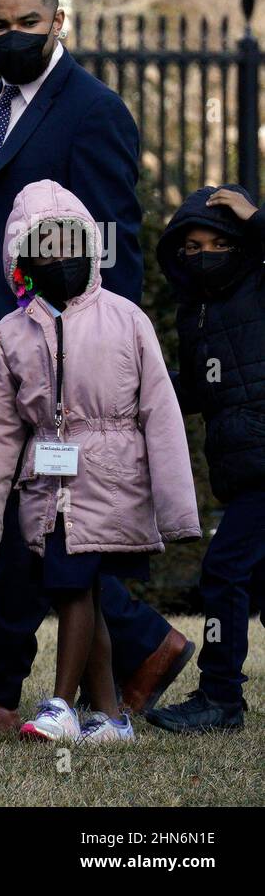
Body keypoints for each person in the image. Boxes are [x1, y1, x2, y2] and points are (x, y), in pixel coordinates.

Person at [0, 0, 192, 729]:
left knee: (36, 526)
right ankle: (135, 649)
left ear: (58, 22)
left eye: (27, 22)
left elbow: (114, 245)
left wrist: (89, 361)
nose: (11, 35)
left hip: (56, 361)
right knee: (17, 525)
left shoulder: (92, 109)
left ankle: (0, 690)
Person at [0, 180, 200, 744]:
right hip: (48, 490)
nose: (59, 257)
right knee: (82, 594)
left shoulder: (126, 320)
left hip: (112, 485)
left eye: (70, 242)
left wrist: (177, 512)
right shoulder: (11, 333)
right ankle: (111, 717)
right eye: (43, 246)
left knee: (75, 589)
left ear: (91, 245)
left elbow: (160, 413)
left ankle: (61, 705)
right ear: (21, 256)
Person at [148, 185, 265, 733]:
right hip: (240, 467)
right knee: (236, 574)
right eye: (191, 246)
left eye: (218, 241)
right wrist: (134, 388)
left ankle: (221, 698)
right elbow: (194, 390)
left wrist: (255, 217)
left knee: (224, 573)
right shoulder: (194, 310)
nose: (203, 255)